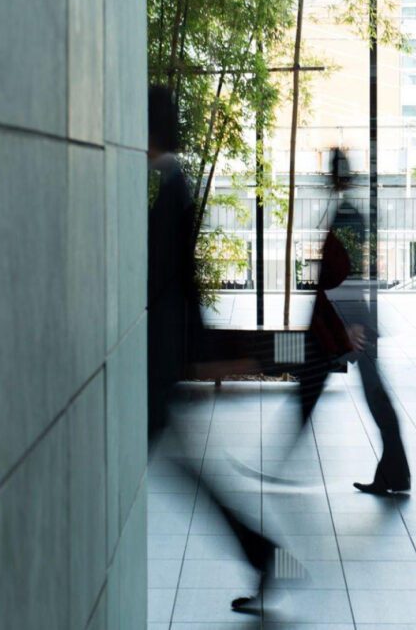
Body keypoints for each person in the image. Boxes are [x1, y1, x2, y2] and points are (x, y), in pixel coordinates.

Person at [146, 86, 278, 612]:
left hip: (159, 356)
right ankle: (261, 553)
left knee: (188, 472)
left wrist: (191, 354)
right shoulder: (171, 183)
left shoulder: (172, 187)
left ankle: (263, 552)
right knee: (191, 472)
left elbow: (174, 278)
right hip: (164, 353)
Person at [320, 149, 412, 495]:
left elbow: (352, 271)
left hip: (355, 321)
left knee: (375, 394)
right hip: (351, 318)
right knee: (375, 393)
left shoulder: (347, 215)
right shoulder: (348, 211)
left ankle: (396, 473)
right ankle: (395, 473)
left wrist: (353, 322)